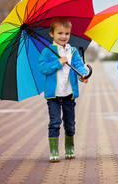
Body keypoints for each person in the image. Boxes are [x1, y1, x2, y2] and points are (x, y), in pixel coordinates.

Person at [38, 17, 89, 163]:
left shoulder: (72, 51)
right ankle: (54, 151)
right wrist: (58, 62)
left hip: (68, 94)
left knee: (70, 123)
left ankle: (69, 146)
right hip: (53, 96)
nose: (63, 36)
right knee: (54, 122)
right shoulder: (48, 51)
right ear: (51, 34)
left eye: (66, 33)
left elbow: (79, 66)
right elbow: (42, 68)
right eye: (60, 33)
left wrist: (82, 75)